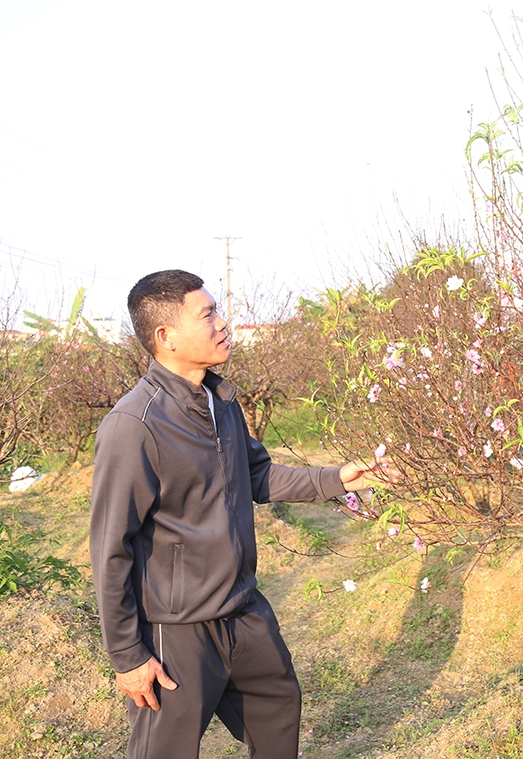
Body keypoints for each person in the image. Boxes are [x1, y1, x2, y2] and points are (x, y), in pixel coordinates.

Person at [90, 270, 393, 758]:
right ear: (165, 337)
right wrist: (128, 655)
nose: (223, 324)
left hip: (243, 611)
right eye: (208, 315)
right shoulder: (134, 425)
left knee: (278, 713)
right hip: (177, 628)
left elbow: (257, 476)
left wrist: (339, 479)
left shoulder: (220, 401)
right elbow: (111, 548)